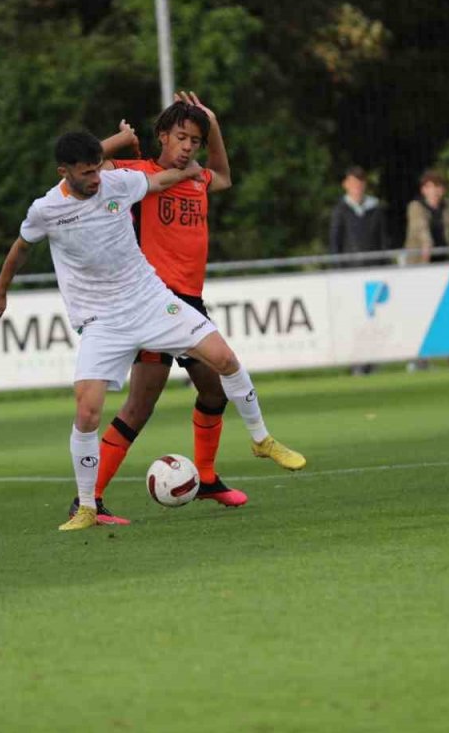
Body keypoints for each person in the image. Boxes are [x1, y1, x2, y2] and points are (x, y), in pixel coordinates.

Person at [0, 131, 304, 531]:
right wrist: (0, 289)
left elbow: (161, 179)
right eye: (86, 173)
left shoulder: (116, 183)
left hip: (150, 301)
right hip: (102, 320)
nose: (96, 179)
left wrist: (191, 170)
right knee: (87, 410)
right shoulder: (46, 209)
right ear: (64, 173)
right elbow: (21, 247)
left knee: (224, 359)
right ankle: (86, 507)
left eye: (98, 169)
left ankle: (261, 439)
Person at [73, 93, 304, 525]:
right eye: (181, 137)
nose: (186, 147)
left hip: (190, 302)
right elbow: (86, 166)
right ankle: (90, 499)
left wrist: (213, 124)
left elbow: (225, 178)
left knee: (214, 389)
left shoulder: (198, 177)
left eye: (194, 141)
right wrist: (122, 140)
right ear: (162, 135)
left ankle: (209, 478)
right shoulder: (138, 175)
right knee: (139, 407)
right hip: (152, 302)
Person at [329, 166, 388, 264]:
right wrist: (338, 268)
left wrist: (385, 264)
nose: (357, 187)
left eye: (360, 183)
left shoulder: (376, 209)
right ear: (345, 184)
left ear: (365, 184)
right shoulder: (340, 210)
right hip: (350, 270)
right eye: (353, 183)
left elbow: (383, 240)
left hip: (375, 268)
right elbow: (335, 242)